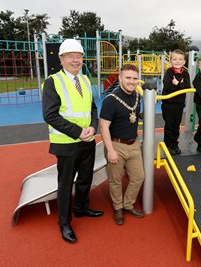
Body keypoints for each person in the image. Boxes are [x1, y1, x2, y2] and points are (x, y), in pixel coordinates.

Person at [42, 39, 104, 244]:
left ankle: (81, 208)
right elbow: (50, 115)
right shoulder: (53, 82)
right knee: (66, 183)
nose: (76, 60)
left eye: (79, 56)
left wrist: (93, 126)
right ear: (61, 59)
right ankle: (64, 223)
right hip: (67, 142)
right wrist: (78, 132)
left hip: (87, 139)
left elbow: (92, 108)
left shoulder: (85, 80)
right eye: (71, 56)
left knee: (86, 177)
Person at [99, 64, 145, 225]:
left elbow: (132, 114)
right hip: (116, 145)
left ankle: (127, 204)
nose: (132, 82)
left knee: (139, 177)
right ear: (120, 78)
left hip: (134, 145)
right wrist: (110, 150)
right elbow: (103, 126)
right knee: (116, 180)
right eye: (128, 78)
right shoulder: (111, 100)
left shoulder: (138, 96)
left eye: (134, 78)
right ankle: (118, 208)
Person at [161, 49, 191, 155]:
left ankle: (174, 143)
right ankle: (168, 144)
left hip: (179, 104)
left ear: (184, 62)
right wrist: (179, 85)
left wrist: (176, 84)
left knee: (176, 125)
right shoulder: (169, 72)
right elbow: (168, 86)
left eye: (180, 59)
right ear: (170, 61)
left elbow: (188, 86)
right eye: (174, 59)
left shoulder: (185, 73)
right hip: (168, 103)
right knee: (169, 125)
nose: (177, 61)